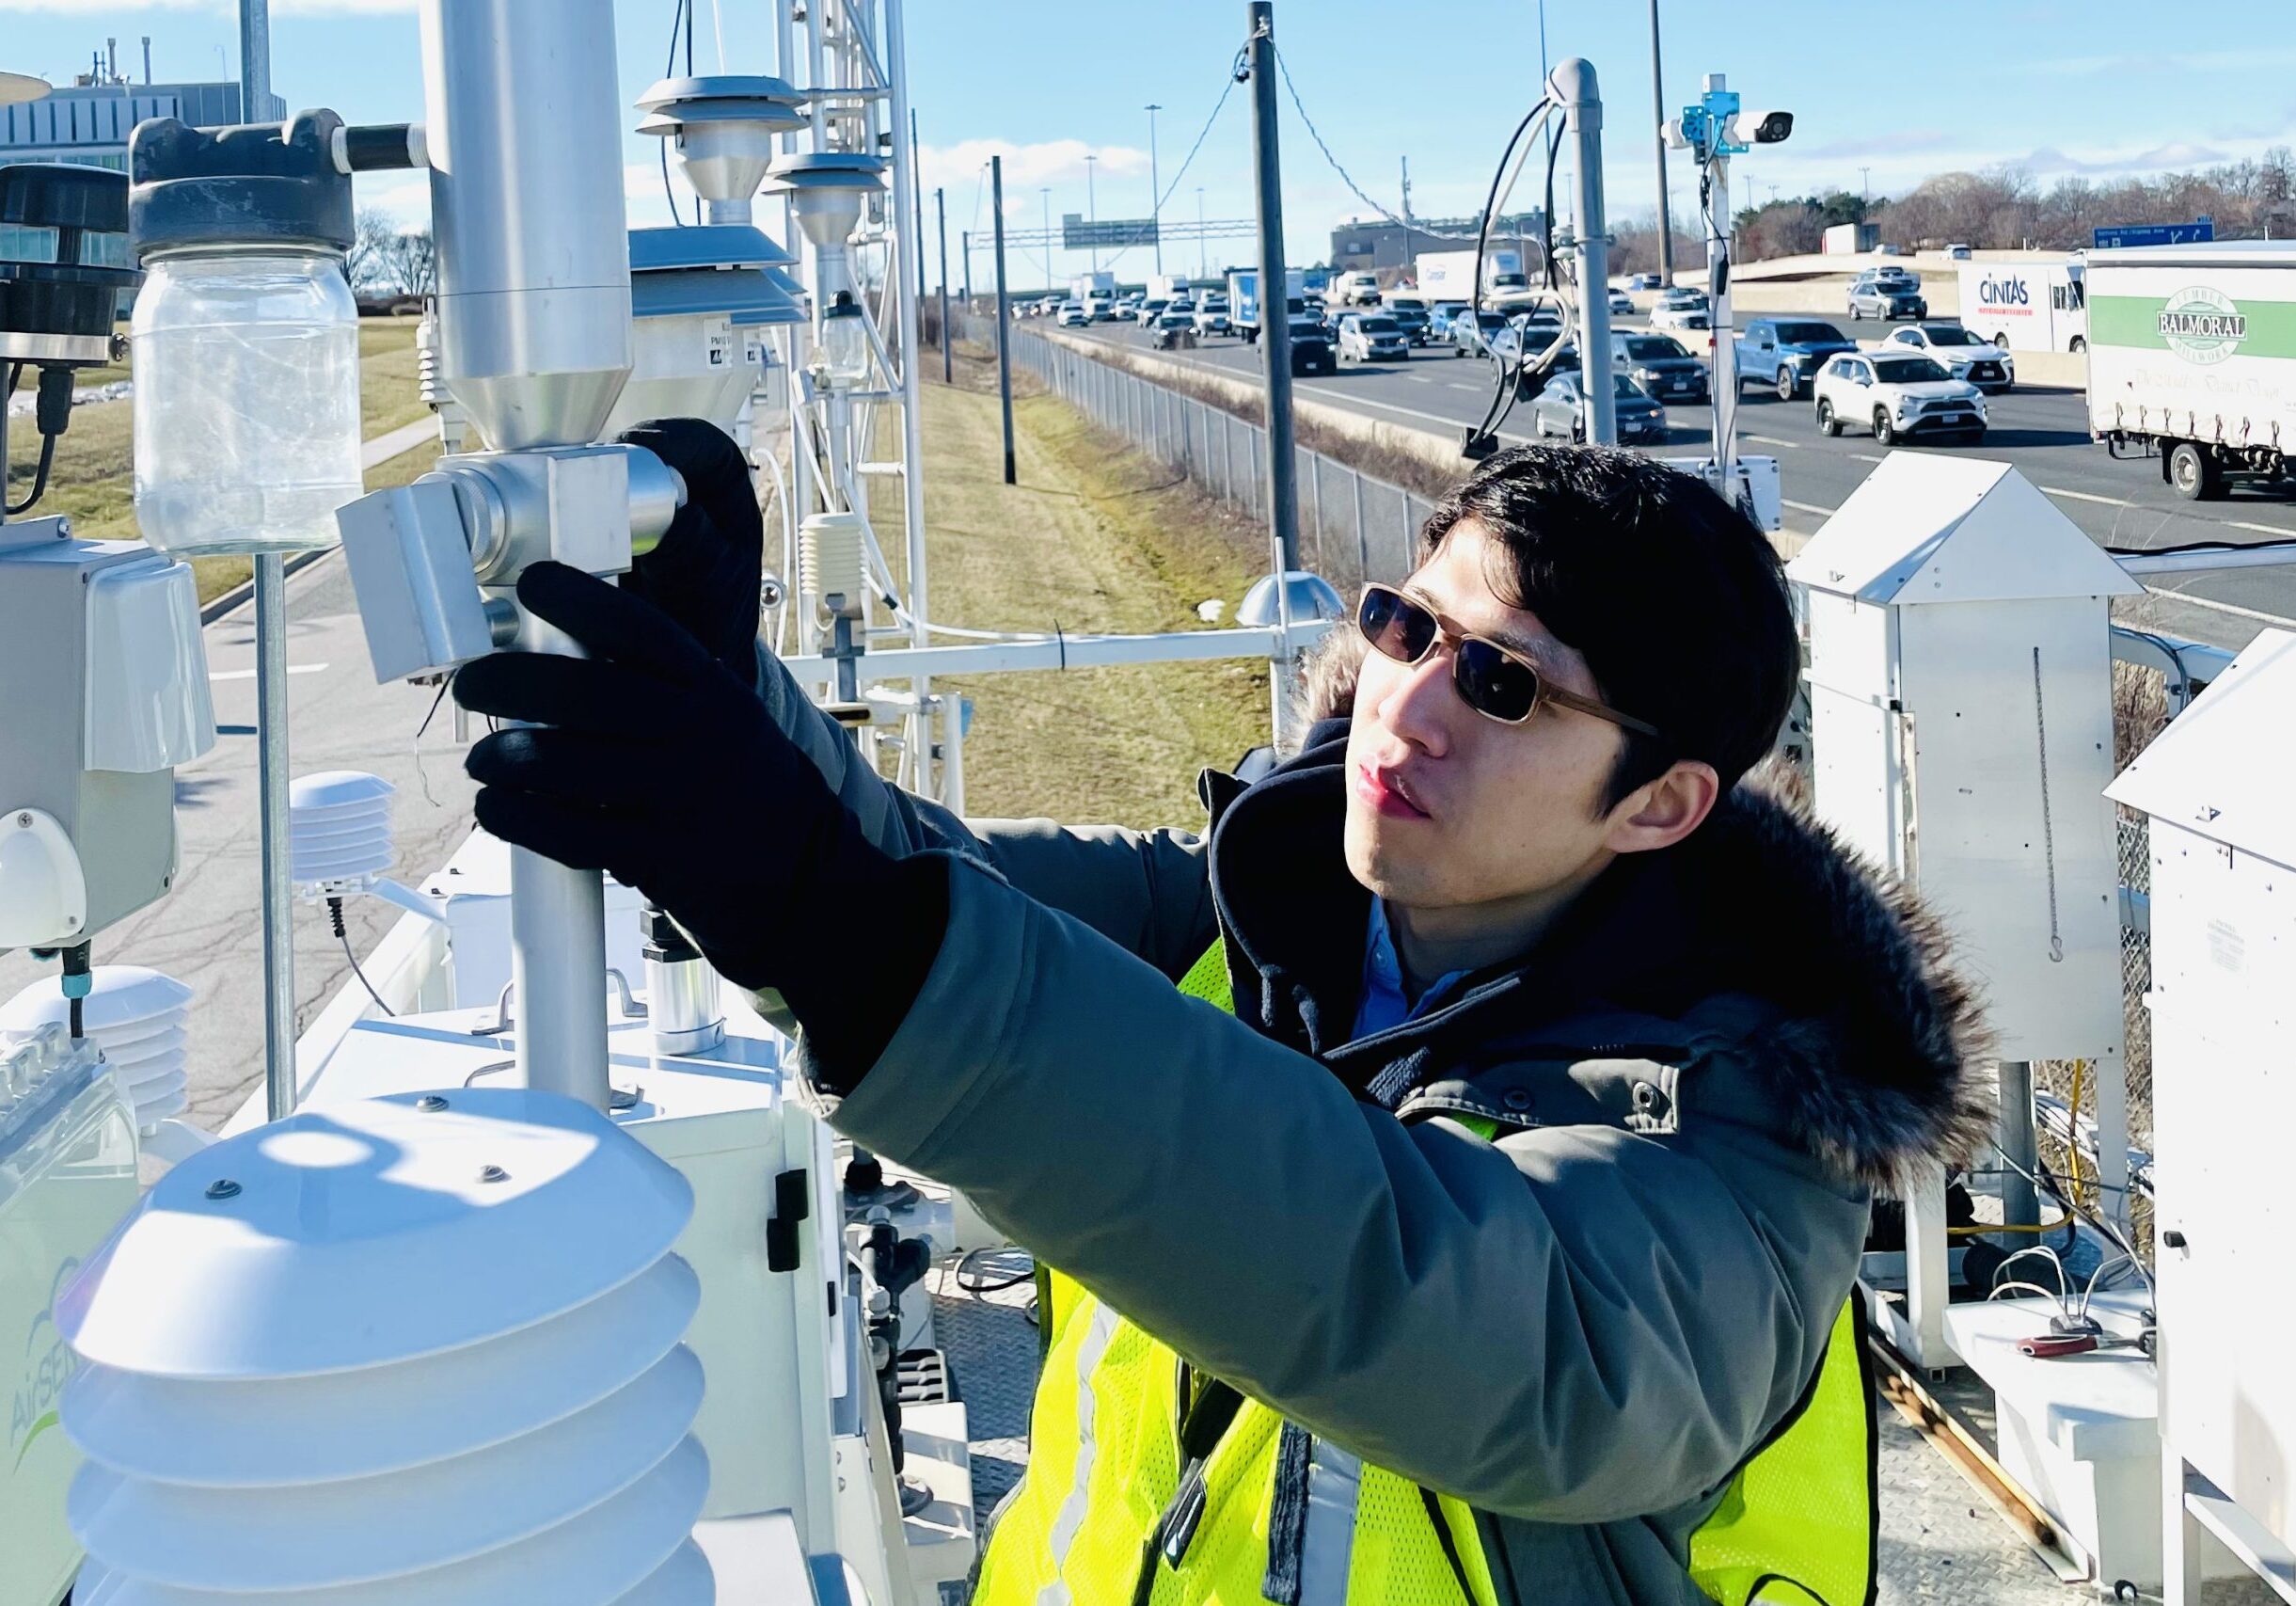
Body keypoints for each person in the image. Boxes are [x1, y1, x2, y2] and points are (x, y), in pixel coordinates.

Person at [453, 422, 1988, 1606]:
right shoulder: (1249, 909)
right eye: (1406, 627)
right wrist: (729, 684)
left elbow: (1509, 1336)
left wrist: (838, 925)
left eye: (1506, 688)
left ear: (1657, 805)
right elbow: (919, 890)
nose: (1413, 705)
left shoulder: (1744, 1131)